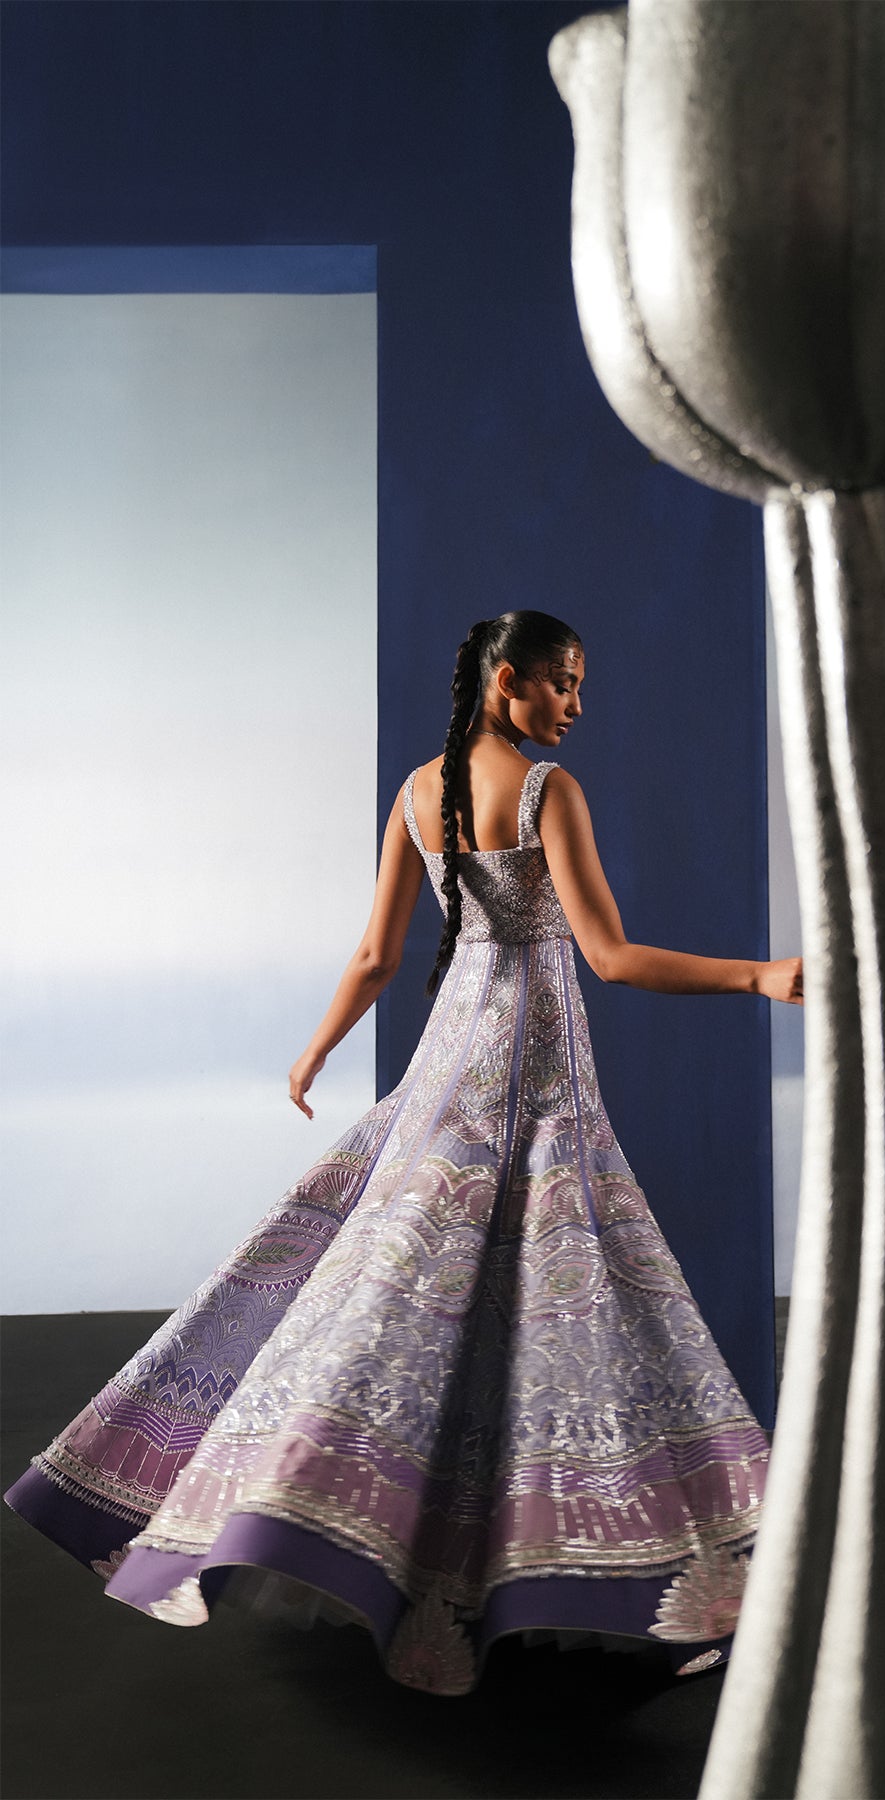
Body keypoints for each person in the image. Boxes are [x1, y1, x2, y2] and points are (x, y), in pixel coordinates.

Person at [4, 610, 804, 1696]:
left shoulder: (418, 792)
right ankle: (569, 1563)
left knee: (399, 1275)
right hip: (529, 1055)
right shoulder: (548, 792)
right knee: (548, 1290)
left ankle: (337, 1516)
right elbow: (610, 957)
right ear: (507, 682)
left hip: (449, 1054)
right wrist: (757, 975)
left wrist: (316, 1047)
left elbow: (378, 954)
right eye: (562, 683)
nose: (577, 705)